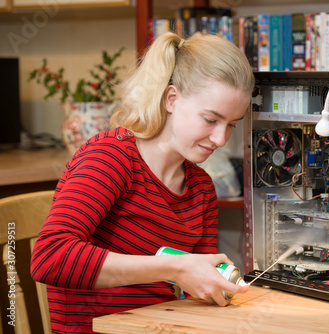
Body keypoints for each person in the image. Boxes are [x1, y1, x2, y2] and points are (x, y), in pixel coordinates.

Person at [31, 31, 255, 333]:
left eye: (231, 125)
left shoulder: (201, 188)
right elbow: (50, 257)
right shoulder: (110, 158)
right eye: (211, 120)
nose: (221, 139)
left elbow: (197, 290)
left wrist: (215, 285)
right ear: (171, 98)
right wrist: (175, 267)